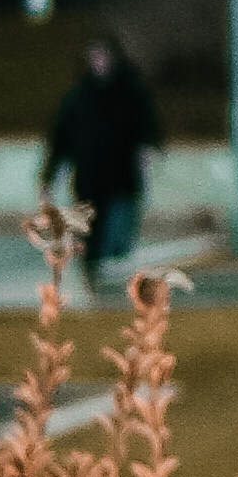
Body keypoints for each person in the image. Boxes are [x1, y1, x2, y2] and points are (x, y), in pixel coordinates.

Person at [42, 36, 163, 291]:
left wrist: (149, 149)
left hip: (122, 183)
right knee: (89, 245)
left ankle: (114, 292)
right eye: (95, 57)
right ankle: (96, 289)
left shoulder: (132, 94)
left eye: (104, 56)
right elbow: (60, 140)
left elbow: (149, 129)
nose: (100, 63)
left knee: (116, 244)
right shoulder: (77, 100)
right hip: (88, 185)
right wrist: (48, 177)